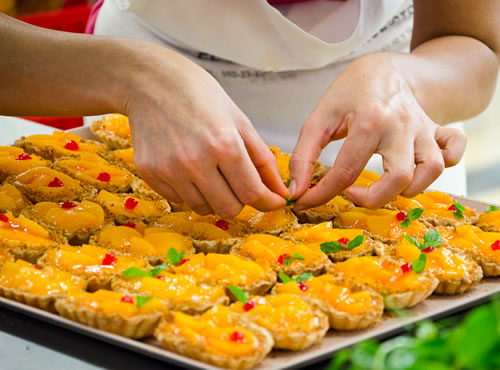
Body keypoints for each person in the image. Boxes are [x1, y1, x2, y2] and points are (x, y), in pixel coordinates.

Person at [0, 0, 499, 217]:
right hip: (150, 78)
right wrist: (134, 75)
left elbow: (474, 42)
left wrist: (405, 78)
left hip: (384, 109)